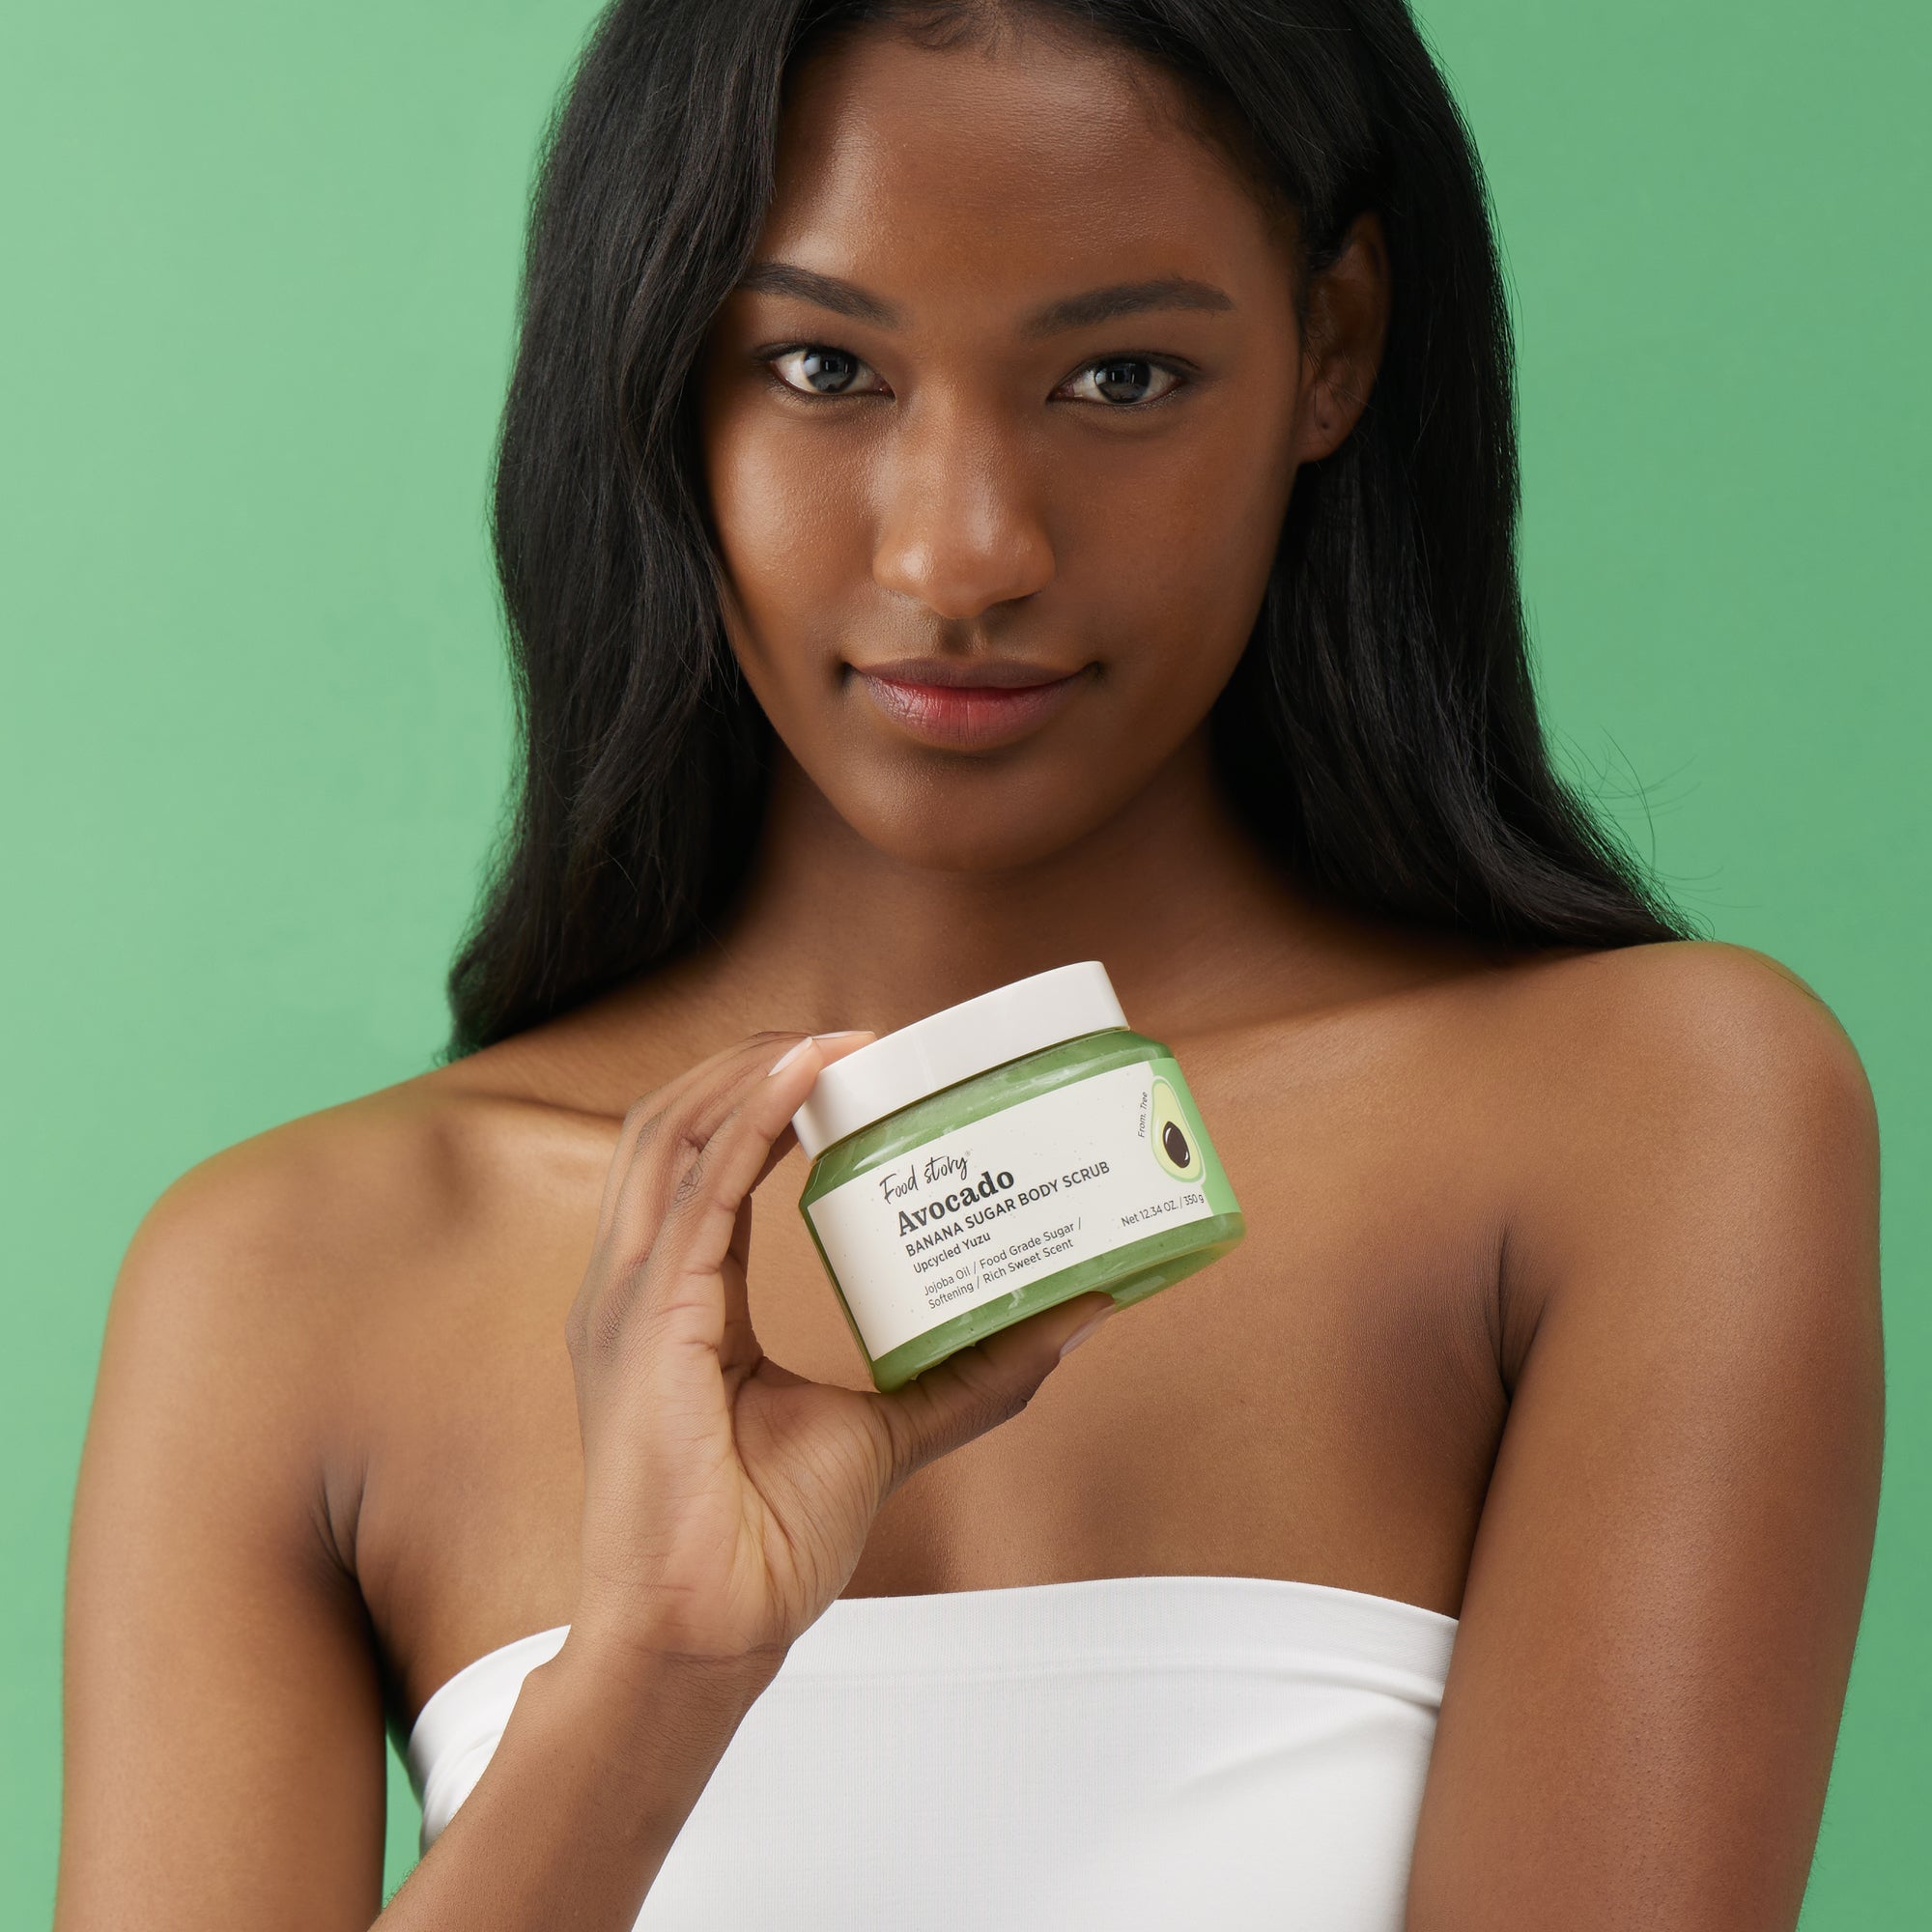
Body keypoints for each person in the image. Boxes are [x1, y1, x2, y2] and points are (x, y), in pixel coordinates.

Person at [56, 2, 1883, 1927]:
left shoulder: (1641, 1120)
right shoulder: (292, 1280)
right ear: (660, 374)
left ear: (1331, 346)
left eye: (1121, 377)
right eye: (823, 366)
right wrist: (656, 1674)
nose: (963, 554)